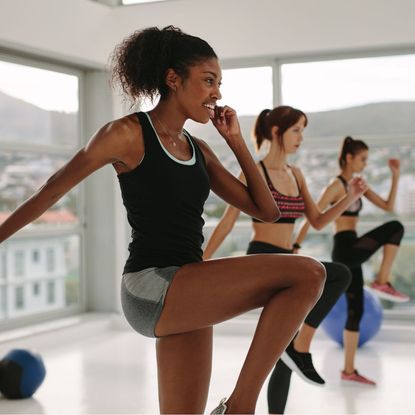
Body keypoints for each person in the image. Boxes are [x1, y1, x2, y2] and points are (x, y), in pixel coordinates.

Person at [0, 26, 328, 414]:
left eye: (219, 83)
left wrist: (236, 141)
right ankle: (240, 407)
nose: (217, 92)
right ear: (174, 79)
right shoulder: (126, 134)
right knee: (308, 273)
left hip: (189, 287)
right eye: (208, 80)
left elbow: (266, 210)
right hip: (152, 286)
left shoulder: (199, 149)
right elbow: (52, 190)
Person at [203, 106, 367, 414]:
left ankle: (292, 359)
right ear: (276, 132)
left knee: (283, 348)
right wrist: (201, 260)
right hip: (263, 259)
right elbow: (226, 222)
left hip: (289, 264)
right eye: (297, 130)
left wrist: (349, 198)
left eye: (303, 130)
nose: (301, 137)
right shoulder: (256, 172)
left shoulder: (296, 175)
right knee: (338, 274)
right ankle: (299, 347)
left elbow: (317, 221)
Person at [294, 135, 408, 386]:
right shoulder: (336, 186)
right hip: (345, 248)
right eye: (362, 159)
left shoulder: (357, 184)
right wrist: (296, 245)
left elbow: (387, 205)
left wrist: (395, 174)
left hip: (355, 246)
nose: (365, 164)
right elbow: (312, 216)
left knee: (356, 311)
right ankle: (382, 280)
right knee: (395, 228)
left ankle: (348, 370)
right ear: (349, 158)